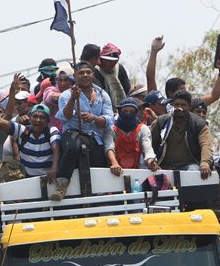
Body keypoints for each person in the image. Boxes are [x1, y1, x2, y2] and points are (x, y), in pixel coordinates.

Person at [0, 79, 60, 181]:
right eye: (35, 116)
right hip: (25, 181)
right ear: (30, 117)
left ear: (47, 120)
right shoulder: (21, 130)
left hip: (48, 178)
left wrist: (54, 168)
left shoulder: (52, 131)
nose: (38, 120)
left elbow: (56, 147)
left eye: (42, 117)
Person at [54, 61, 115, 200]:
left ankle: (101, 198)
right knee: (73, 147)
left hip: (95, 137)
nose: (85, 75)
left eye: (88, 72)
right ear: (75, 75)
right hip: (73, 133)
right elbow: (65, 117)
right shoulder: (66, 95)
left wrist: (94, 118)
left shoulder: (102, 94)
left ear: (93, 75)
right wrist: (73, 100)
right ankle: (62, 184)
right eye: (81, 73)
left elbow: (109, 119)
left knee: (98, 164)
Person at [146, 35, 220, 107]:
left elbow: (214, 96)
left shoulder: (190, 106)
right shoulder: (162, 107)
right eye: (181, 90)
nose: (185, 93)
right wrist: (154, 52)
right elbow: (150, 79)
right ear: (171, 93)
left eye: (185, 90)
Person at [151, 90, 213, 178]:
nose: (180, 107)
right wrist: (152, 162)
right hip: (164, 166)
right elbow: (150, 144)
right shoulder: (162, 121)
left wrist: (205, 163)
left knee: (193, 174)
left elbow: (206, 145)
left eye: (183, 105)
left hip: (189, 165)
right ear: (172, 105)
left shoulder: (198, 124)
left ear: (190, 107)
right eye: (177, 104)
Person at [107, 97, 158, 176]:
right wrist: (114, 163)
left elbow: (147, 147)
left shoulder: (143, 129)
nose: (128, 114)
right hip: (114, 172)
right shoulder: (111, 129)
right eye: (125, 111)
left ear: (136, 113)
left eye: (131, 111)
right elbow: (109, 147)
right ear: (119, 111)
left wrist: (150, 160)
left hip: (136, 172)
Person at [96, 43, 131, 108]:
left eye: (113, 61)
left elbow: (127, 89)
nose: (110, 63)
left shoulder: (120, 69)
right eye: (107, 60)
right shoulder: (96, 70)